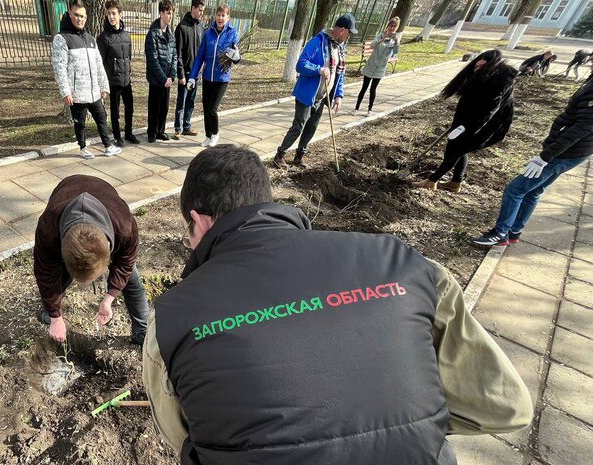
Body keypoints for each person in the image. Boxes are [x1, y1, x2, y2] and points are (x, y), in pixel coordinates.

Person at [143, 145, 533, 464]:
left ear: (199, 220)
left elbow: (182, 436)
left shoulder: (175, 316)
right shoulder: (409, 268)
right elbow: (504, 407)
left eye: (187, 231)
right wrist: (410, 419)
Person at [473, 65, 593, 246]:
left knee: (515, 190)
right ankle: (514, 231)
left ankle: (501, 233)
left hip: (565, 152)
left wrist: (545, 157)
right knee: (534, 190)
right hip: (574, 152)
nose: (590, 59)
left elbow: (582, 128)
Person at [34, 174, 150, 345]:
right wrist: (55, 317)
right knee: (57, 276)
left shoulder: (125, 227)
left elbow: (125, 264)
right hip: (67, 189)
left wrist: (109, 298)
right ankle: (51, 309)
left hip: (104, 194)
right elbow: (45, 274)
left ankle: (142, 328)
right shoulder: (48, 229)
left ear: (110, 252)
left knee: (131, 278)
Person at [412, 50, 517, 192]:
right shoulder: (484, 77)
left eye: (480, 67)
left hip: (484, 127)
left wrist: (465, 128)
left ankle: (432, 181)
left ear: (491, 67)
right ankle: (455, 182)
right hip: (468, 121)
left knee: (454, 151)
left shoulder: (499, 82)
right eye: (475, 66)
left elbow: (489, 111)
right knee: (460, 150)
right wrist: (459, 124)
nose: (476, 69)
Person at [272, 14, 355, 168]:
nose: (349, 36)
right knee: (299, 126)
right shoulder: (318, 42)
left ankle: (299, 156)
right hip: (307, 94)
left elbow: (339, 74)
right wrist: (319, 69)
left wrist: (338, 95)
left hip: (323, 96)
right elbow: (301, 64)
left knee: (312, 128)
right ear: (342, 30)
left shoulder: (340, 48)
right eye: (350, 32)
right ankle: (280, 154)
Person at [52, 0, 122, 160]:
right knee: (80, 122)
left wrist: (103, 86)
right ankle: (83, 147)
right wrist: (65, 91)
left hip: (94, 91)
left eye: (82, 16)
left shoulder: (90, 39)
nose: (79, 19)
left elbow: (98, 64)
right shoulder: (61, 38)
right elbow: (59, 67)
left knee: (102, 117)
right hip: (77, 92)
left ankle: (107, 145)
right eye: (76, 15)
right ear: (70, 14)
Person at [186, 4, 241, 148]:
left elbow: (235, 56)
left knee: (212, 109)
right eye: (218, 15)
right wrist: (192, 76)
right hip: (207, 77)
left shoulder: (232, 33)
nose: (220, 18)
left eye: (223, 15)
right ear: (215, 16)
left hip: (222, 78)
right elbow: (200, 57)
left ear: (228, 18)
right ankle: (208, 135)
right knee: (206, 107)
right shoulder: (208, 33)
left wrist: (236, 57)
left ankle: (215, 134)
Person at [97, 0, 140, 147]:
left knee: (130, 108)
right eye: (109, 13)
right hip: (113, 81)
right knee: (115, 111)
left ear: (120, 14)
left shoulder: (126, 36)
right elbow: (100, 62)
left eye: (114, 13)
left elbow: (128, 57)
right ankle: (117, 136)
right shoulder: (103, 38)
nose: (111, 16)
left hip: (126, 80)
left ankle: (128, 133)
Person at [353, 16, 400, 118]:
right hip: (371, 65)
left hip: (380, 68)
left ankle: (370, 109)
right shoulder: (380, 35)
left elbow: (396, 52)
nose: (392, 28)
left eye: (394, 26)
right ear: (388, 26)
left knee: (373, 89)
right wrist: (382, 39)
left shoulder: (395, 39)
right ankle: (356, 108)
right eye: (391, 25)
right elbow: (372, 46)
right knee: (364, 87)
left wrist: (396, 41)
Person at [145, 0, 177, 143]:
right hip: (157, 79)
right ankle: (152, 132)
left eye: (172, 13)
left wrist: (172, 75)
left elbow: (174, 56)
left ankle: (160, 131)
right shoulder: (153, 34)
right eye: (168, 13)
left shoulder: (171, 34)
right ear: (161, 13)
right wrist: (163, 78)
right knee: (154, 106)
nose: (170, 16)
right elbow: (153, 59)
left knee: (164, 107)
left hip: (167, 79)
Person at [173, 0, 205, 141]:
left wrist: (201, 71)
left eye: (203, 10)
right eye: (200, 10)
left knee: (191, 101)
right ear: (193, 8)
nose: (202, 13)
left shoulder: (201, 27)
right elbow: (178, 53)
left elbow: (202, 52)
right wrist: (181, 73)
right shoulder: (182, 27)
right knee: (181, 101)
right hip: (185, 74)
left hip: (196, 74)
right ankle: (177, 129)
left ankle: (187, 126)